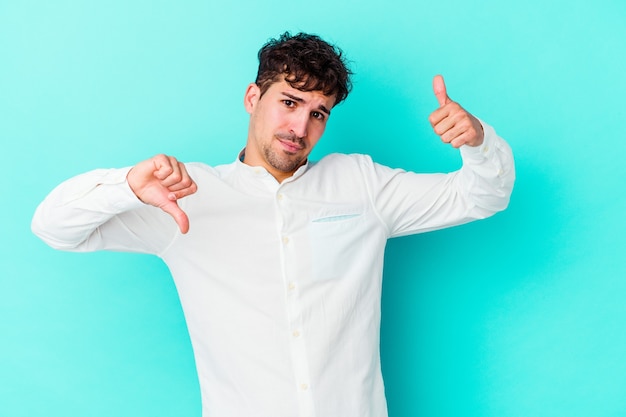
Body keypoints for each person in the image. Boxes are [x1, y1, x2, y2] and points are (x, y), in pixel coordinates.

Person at [32, 32, 515, 417]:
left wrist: (478, 143)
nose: (300, 128)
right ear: (252, 96)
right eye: (289, 102)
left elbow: (483, 195)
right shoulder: (184, 197)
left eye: (317, 113)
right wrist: (126, 187)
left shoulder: (361, 184)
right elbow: (53, 228)